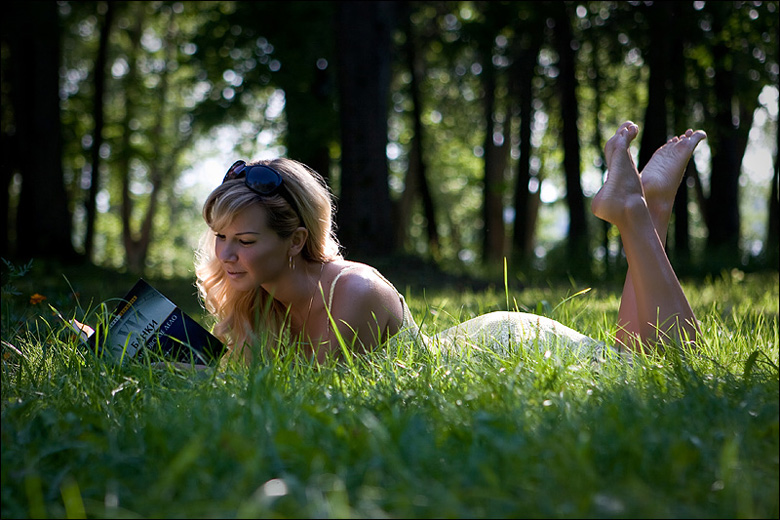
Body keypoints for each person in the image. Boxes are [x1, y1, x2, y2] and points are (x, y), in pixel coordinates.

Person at [194, 121, 706, 364]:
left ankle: (635, 213)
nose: (226, 254)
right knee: (639, 357)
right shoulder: (260, 301)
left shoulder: (351, 292)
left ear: (296, 240)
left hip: (508, 353)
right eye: (220, 237)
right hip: (485, 350)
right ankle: (650, 204)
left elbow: (301, 403)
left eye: (243, 239)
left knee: (663, 370)